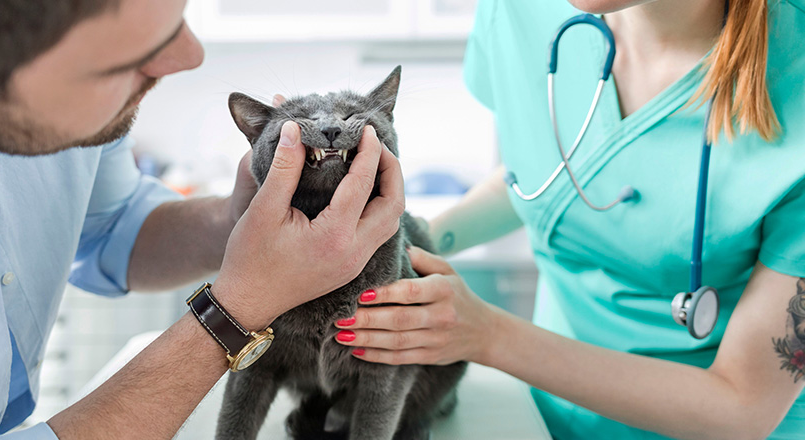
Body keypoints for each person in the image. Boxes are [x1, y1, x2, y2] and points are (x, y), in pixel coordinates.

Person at [0, 0, 404, 438]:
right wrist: (239, 307)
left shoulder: (67, 115)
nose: (189, 55)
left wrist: (236, 222)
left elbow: (115, 222)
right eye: (121, 51)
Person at [333, 0, 805, 438]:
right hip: (543, 415)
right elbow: (550, 174)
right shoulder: (520, 12)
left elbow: (742, 407)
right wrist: (403, 244)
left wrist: (487, 335)